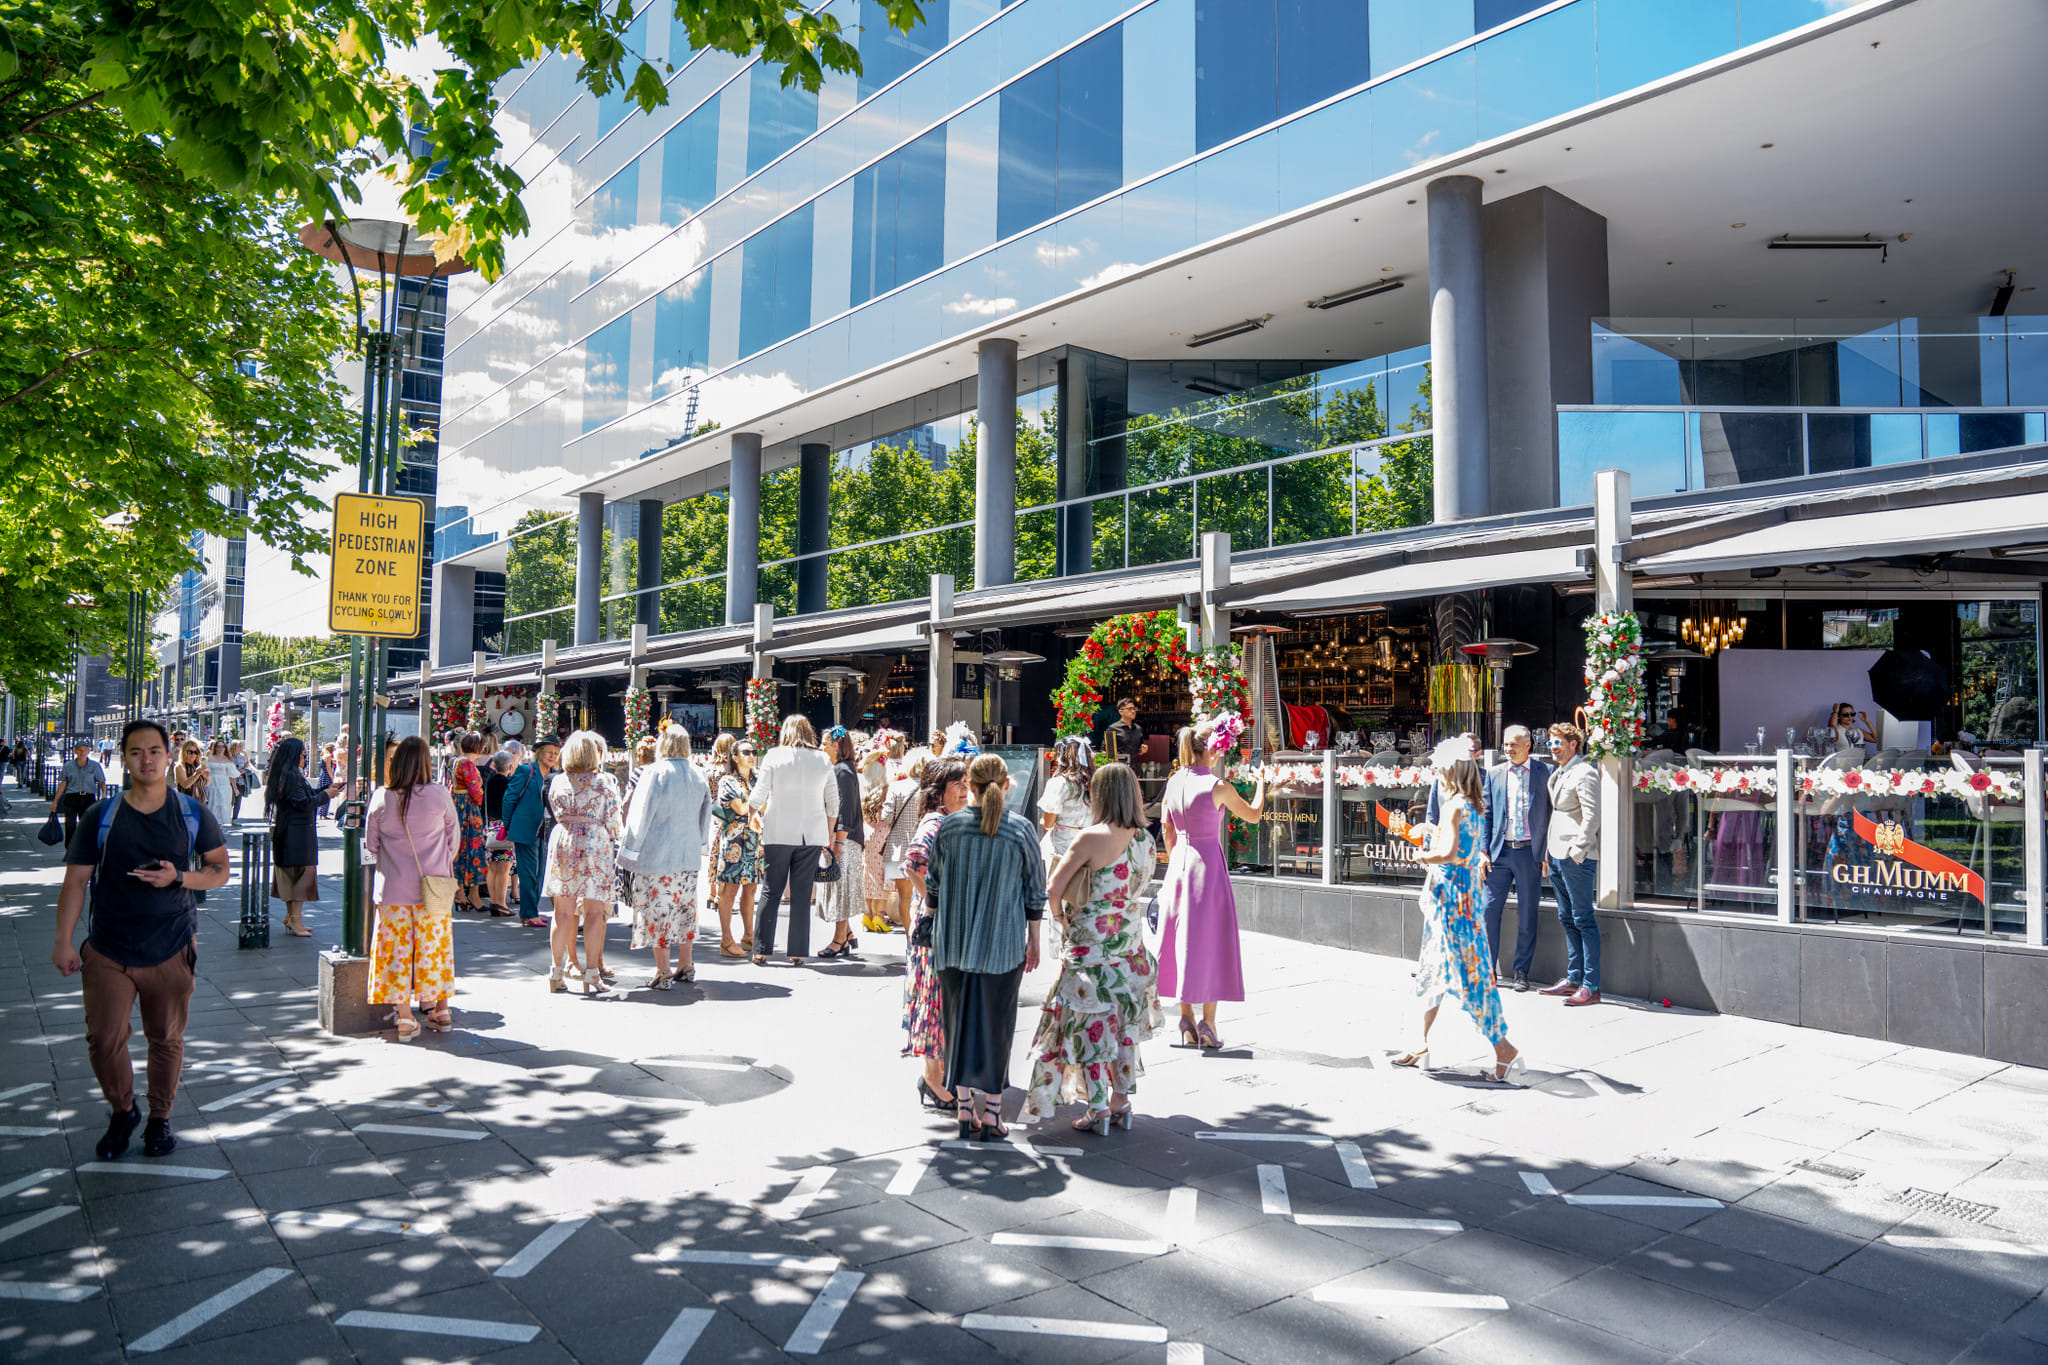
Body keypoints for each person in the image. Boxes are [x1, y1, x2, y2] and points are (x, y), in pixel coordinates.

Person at [53, 719, 230, 1160]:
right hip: (109, 947)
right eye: (136, 752)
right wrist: (63, 940)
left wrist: (179, 878)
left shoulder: (191, 813)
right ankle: (123, 1110)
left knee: (165, 1039)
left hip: (170, 946)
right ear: (124, 758)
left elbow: (220, 869)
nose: (146, 759)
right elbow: (75, 882)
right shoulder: (103, 815)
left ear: (168, 756)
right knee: (103, 1038)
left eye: (154, 751)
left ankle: (159, 1119)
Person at [1022, 762, 1161, 1135]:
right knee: (1123, 1029)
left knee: (1090, 1031)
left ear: (1099, 795)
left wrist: (1060, 919)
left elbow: (1053, 889)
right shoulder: (1146, 840)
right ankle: (1122, 1101)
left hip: (1091, 952)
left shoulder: (1090, 838)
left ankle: (1097, 1107)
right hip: (1130, 950)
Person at [927, 753, 1046, 1141]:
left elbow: (933, 885)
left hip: (953, 943)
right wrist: (1034, 941)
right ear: (1006, 784)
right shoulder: (1020, 829)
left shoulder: (950, 827)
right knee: (998, 1027)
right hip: (1002, 944)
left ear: (970, 785)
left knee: (956, 1025)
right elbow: (1034, 892)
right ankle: (993, 1112)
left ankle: (965, 1111)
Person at [1396, 739, 1525, 1082]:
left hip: (1452, 900)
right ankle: (1418, 1042)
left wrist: (1422, 854)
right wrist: (1431, 831)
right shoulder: (1471, 803)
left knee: (1469, 975)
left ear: (1451, 770)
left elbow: (1450, 853)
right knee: (1432, 970)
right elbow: (1461, 846)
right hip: (1460, 896)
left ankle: (1504, 1049)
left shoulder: (1455, 804)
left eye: (1439, 768)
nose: (1436, 774)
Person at [1157, 716, 1265, 1050]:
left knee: (1180, 939)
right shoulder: (1217, 787)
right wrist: (1262, 783)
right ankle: (1208, 1023)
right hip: (1208, 867)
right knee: (1211, 941)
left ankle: (1186, 1017)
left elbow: (1166, 828)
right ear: (1214, 752)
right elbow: (1254, 814)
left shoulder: (1174, 782)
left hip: (1179, 865)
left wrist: (1177, 859)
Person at [362, 736, 460, 1038]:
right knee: (436, 950)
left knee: (395, 954)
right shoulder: (439, 794)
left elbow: (370, 846)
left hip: (392, 890)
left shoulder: (381, 797)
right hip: (435, 890)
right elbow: (453, 840)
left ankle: (405, 1018)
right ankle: (440, 1010)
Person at [619, 725, 711, 989]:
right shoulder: (698, 773)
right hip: (688, 855)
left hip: (657, 854)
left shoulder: (654, 772)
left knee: (659, 912)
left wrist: (628, 851)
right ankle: (686, 963)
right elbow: (706, 815)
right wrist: (701, 844)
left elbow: (640, 813)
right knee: (685, 910)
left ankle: (663, 970)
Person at [749, 715, 838, 967]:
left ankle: (761, 949)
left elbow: (759, 794)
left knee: (771, 889)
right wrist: (829, 833)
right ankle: (797, 951)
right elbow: (833, 801)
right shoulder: (822, 759)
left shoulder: (774, 756)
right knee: (802, 893)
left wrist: (751, 815)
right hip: (811, 833)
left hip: (778, 831)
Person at [903, 758, 964, 1113]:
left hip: (937, 924)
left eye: (966, 782)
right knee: (933, 999)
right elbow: (913, 863)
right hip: (933, 928)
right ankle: (933, 1081)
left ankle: (937, 1075)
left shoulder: (948, 820)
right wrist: (936, 902)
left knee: (940, 1000)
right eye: (955, 783)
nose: (963, 789)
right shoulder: (935, 822)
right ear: (938, 790)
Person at [544, 730, 623, 994]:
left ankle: (556, 971)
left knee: (563, 913)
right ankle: (591, 973)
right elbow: (614, 823)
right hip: (594, 844)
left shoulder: (558, 782)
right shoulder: (604, 782)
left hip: (564, 841)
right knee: (593, 912)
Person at [1479, 725, 1553, 992]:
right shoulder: (1495, 774)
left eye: (1514, 744)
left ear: (1528, 745)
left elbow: (1551, 815)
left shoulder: (1545, 773)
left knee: (1528, 912)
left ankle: (1522, 971)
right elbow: (1486, 815)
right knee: (1489, 910)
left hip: (1529, 852)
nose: (1508, 749)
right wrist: (1482, 850)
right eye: (1506, 745)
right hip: (1499, 853)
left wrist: (1546, 852)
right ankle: (1488, 970)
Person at [1541, 722, 1603, 1007]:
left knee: (1583, 919)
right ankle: (1574, 978)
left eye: (1558, 743)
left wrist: (1578, 851)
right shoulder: (1560, 773)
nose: (1552, 747)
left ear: (1573, 744)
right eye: (1551, 743)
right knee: (1567, 918)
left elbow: (1592, 815)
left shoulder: (1585, 772)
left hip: (1575, 857)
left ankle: (1591, 986)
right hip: (1556, 854)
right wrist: (1549, 855)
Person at [267, 736, 341, 938]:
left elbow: (304, 797)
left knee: (294, 877)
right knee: (300, 878)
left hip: (292, 833)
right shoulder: (290, 776)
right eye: (302, 754)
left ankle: (292, 918)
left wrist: (325, 791)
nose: (304, 757)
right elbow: (302, 803)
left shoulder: (289, 774)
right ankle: (295, 920)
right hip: (295, 834)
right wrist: (326, 796)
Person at [709, 734, 761, 957]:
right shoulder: (728, 781)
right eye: (746, 752)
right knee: (729, 889)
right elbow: (740, 808)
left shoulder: (757, 780)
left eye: (753, 752)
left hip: (754, 841)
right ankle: (726, 939)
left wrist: (757, 806)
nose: (751, 756)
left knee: (751, 888)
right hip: (734, 842)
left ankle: (749, 935)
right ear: (734, 757)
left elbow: (765, 805)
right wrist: (758, 805)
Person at [818, 727, 864, 959]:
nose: (821, 747)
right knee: (838, 887)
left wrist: (839, 841)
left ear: (835, 746)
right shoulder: (842, 769)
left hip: (844, 840)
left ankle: (839, 939)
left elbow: (845, 809)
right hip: (842, 839)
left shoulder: (842, 771)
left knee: (840, 889)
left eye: (824, 743)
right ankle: (847, 933)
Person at [503, 736, 558, 930]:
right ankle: (528, 913)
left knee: (541, 872)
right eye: (549, 751)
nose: (553, 756)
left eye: (556, 753)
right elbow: (509, 798)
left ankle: (531, 911)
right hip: (525, 828)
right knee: (528, 873)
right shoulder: (527, 770)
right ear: (540, 752)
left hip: (546, 830)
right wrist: (508, 824)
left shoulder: (556, 774)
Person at [877, 751, 931, 931]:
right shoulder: (931, 789)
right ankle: (923, 932)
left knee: (905, 897)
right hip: (925, 847)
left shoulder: (896, 787)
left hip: (899, 848)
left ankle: (910, 935)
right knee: (925, 896)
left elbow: (887, 817)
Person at [1037, 737, 1095, 874]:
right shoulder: (1096, 781)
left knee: (1059, 890)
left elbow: (1048, 823)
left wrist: (1042, 820)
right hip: (1091, 846)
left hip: (1062, 849)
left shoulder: (1059, 783)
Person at [449, 732, 491, 912]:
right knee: (471, 847)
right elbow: (475, 790)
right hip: (468, 809)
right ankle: (469, 894)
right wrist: (481, 800)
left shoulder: (458, 761)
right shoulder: (467, 763)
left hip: (460, 807)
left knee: (462, 848)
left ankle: (461, 893)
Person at [858, 742, 893, 934]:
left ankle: (868, 915)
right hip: (884, 834)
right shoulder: (886, 789)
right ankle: (880, 914)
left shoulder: (865, 790)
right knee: (883, 875)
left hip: (867, 833)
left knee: (868, 873)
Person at [50, 740, 108, 844]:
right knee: (70, 825)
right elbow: (62, 784)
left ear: (88, 751)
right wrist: (55, 801)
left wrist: (104, 795)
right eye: (80, 750)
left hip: (88, 798)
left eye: (84, 750)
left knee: (86, 825)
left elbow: (101, 782)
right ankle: (70, 849)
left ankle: (84, 849)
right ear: (75, 751)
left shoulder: (94, 766)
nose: (82, 752)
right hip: (72, 797)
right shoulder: (68, 766)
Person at [483, 749, 517, 916]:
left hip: (490, 826)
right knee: (504, 867)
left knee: (493, 867)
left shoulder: (489, 781)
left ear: (494, 764)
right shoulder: (507, 783)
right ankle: (501, 904)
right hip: (503, 828)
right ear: (510, 765)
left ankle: (494, 902)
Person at [203, 740, 238, 830]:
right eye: (218, 746)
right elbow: (204, 770)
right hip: (212, 782)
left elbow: (232, 775)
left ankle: (218, 829)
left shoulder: (227, 759)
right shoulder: (209, 757)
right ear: (215, 748)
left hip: (224, 784)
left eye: (223, 746)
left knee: (222, 804)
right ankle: (212, 826)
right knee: (212, 803)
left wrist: (235, 788)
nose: (221, 748)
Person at [173, 740, 210, 815]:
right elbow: (185, 785)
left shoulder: (198, 765)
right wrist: (197, 774)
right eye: (190, 752)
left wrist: (207, 777)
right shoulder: (180, 766)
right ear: (184, 752)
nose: (193, 755)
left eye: (196, 752)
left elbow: (207, 784)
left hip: (201, 803)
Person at [1104, 698, 1145, 765]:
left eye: (1134, 708)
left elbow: (1138, 750)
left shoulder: (1138, 729)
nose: (1133, 711)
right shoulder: (1113, 728)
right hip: (1118, 768)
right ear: (1121, 712)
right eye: (1129, 709)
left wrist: (1142, 750)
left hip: (1133, 769)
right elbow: (1106, 751)